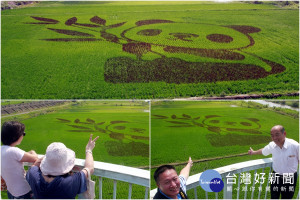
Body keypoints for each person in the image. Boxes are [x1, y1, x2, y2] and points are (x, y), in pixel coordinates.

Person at [26, 134, 99, 199]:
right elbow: (89, 168)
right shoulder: (69, 183)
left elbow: (35, 165)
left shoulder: (34, 175)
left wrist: (49, 157)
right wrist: (88, 150)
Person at [248, 125, 299, 199]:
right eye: (272, 136)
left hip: (290, 178)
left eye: (277, 135)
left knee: (287, 198)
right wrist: (253, 152)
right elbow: (263, 151)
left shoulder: (295, 146)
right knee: (274, 197)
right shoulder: (272, 145)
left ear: (284, 134)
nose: (274, 138)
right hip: (276, 176)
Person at [1, 121, 38, 199]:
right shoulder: (14, 151)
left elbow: (16, 157)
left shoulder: (2, 149)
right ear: (16, 136)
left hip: (11, 191)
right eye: (23, 134)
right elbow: (35, 158)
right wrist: (32, 151)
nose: (23, 136)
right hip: (23, 191)